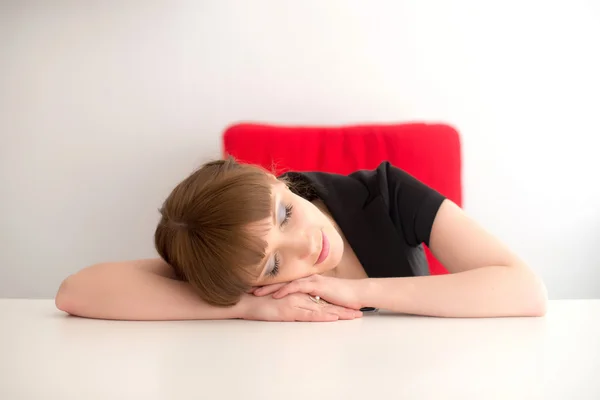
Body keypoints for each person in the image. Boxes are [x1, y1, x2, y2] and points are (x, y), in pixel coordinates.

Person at [55, 157, 548, 321]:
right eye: (272, 266)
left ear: (278, 182)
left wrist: (359, 292)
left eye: (285, 214)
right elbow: (75, 291)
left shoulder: (386, 191)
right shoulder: (229, 262)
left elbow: (525, 289)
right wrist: (250, 307)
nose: (306, 246)